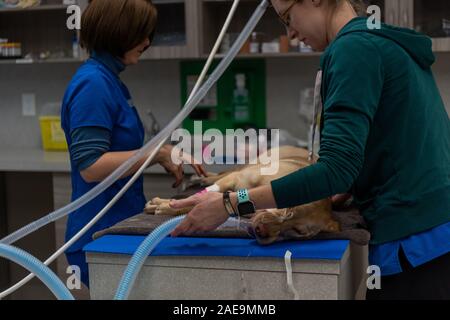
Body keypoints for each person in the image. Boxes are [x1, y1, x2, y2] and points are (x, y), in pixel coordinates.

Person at [169, 0, 450, 300]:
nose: (290, 33)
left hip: (416, 246)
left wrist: (231, 204)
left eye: (289, 17)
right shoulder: (380, 41)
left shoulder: (354, 49)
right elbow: (393, 142)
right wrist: (352, 185)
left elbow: (336, 169)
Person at [61, 0, 206, 287]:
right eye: (141, 34)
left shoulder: (110, 81)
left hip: (117, 227)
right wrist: (156, 153)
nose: (147, 42)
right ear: (118, 32)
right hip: (98, 233)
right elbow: (91, 167)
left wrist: (161, 153)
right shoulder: (93, 84)